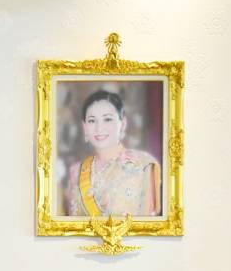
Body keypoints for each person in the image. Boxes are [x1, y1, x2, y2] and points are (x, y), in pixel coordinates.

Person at [62, 89, 160, 218]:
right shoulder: (76, 171)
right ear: (85, 127)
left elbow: (148, 225)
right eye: (92, 121)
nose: (99, 128)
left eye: (107, 119)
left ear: (123, 124)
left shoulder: (143, 165)